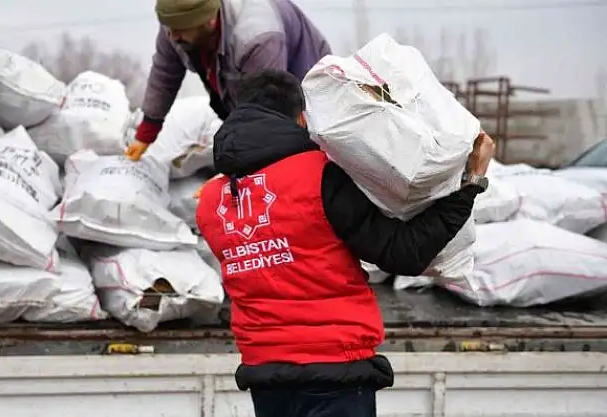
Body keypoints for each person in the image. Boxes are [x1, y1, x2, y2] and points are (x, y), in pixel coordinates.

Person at [194, 69, 495, 417]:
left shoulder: (211, 201)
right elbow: (403, 253)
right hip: (336, 371)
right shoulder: (318, 175)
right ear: (301, 118)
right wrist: (470, 183)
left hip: (265, 375)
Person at [124, 0, 332, 161]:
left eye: (179, 31)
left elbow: (266, 116)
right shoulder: (177, 26)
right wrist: (146, 132)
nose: (172, 36)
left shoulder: (256, 38)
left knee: (299, 159)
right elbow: (165, 73)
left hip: (306, 90)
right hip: (256, 96)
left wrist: (232, 171)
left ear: (209, 21)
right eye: (169, 29)